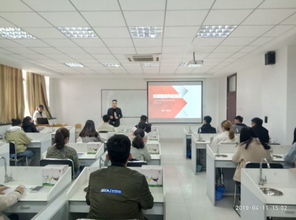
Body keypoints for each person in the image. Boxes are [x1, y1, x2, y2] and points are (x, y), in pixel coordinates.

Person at [86, 134, 153, 220]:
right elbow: (148, 205)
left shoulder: (94, 176)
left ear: (108, 157)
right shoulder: (138, 179)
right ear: (129, 156)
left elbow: (88, 201)